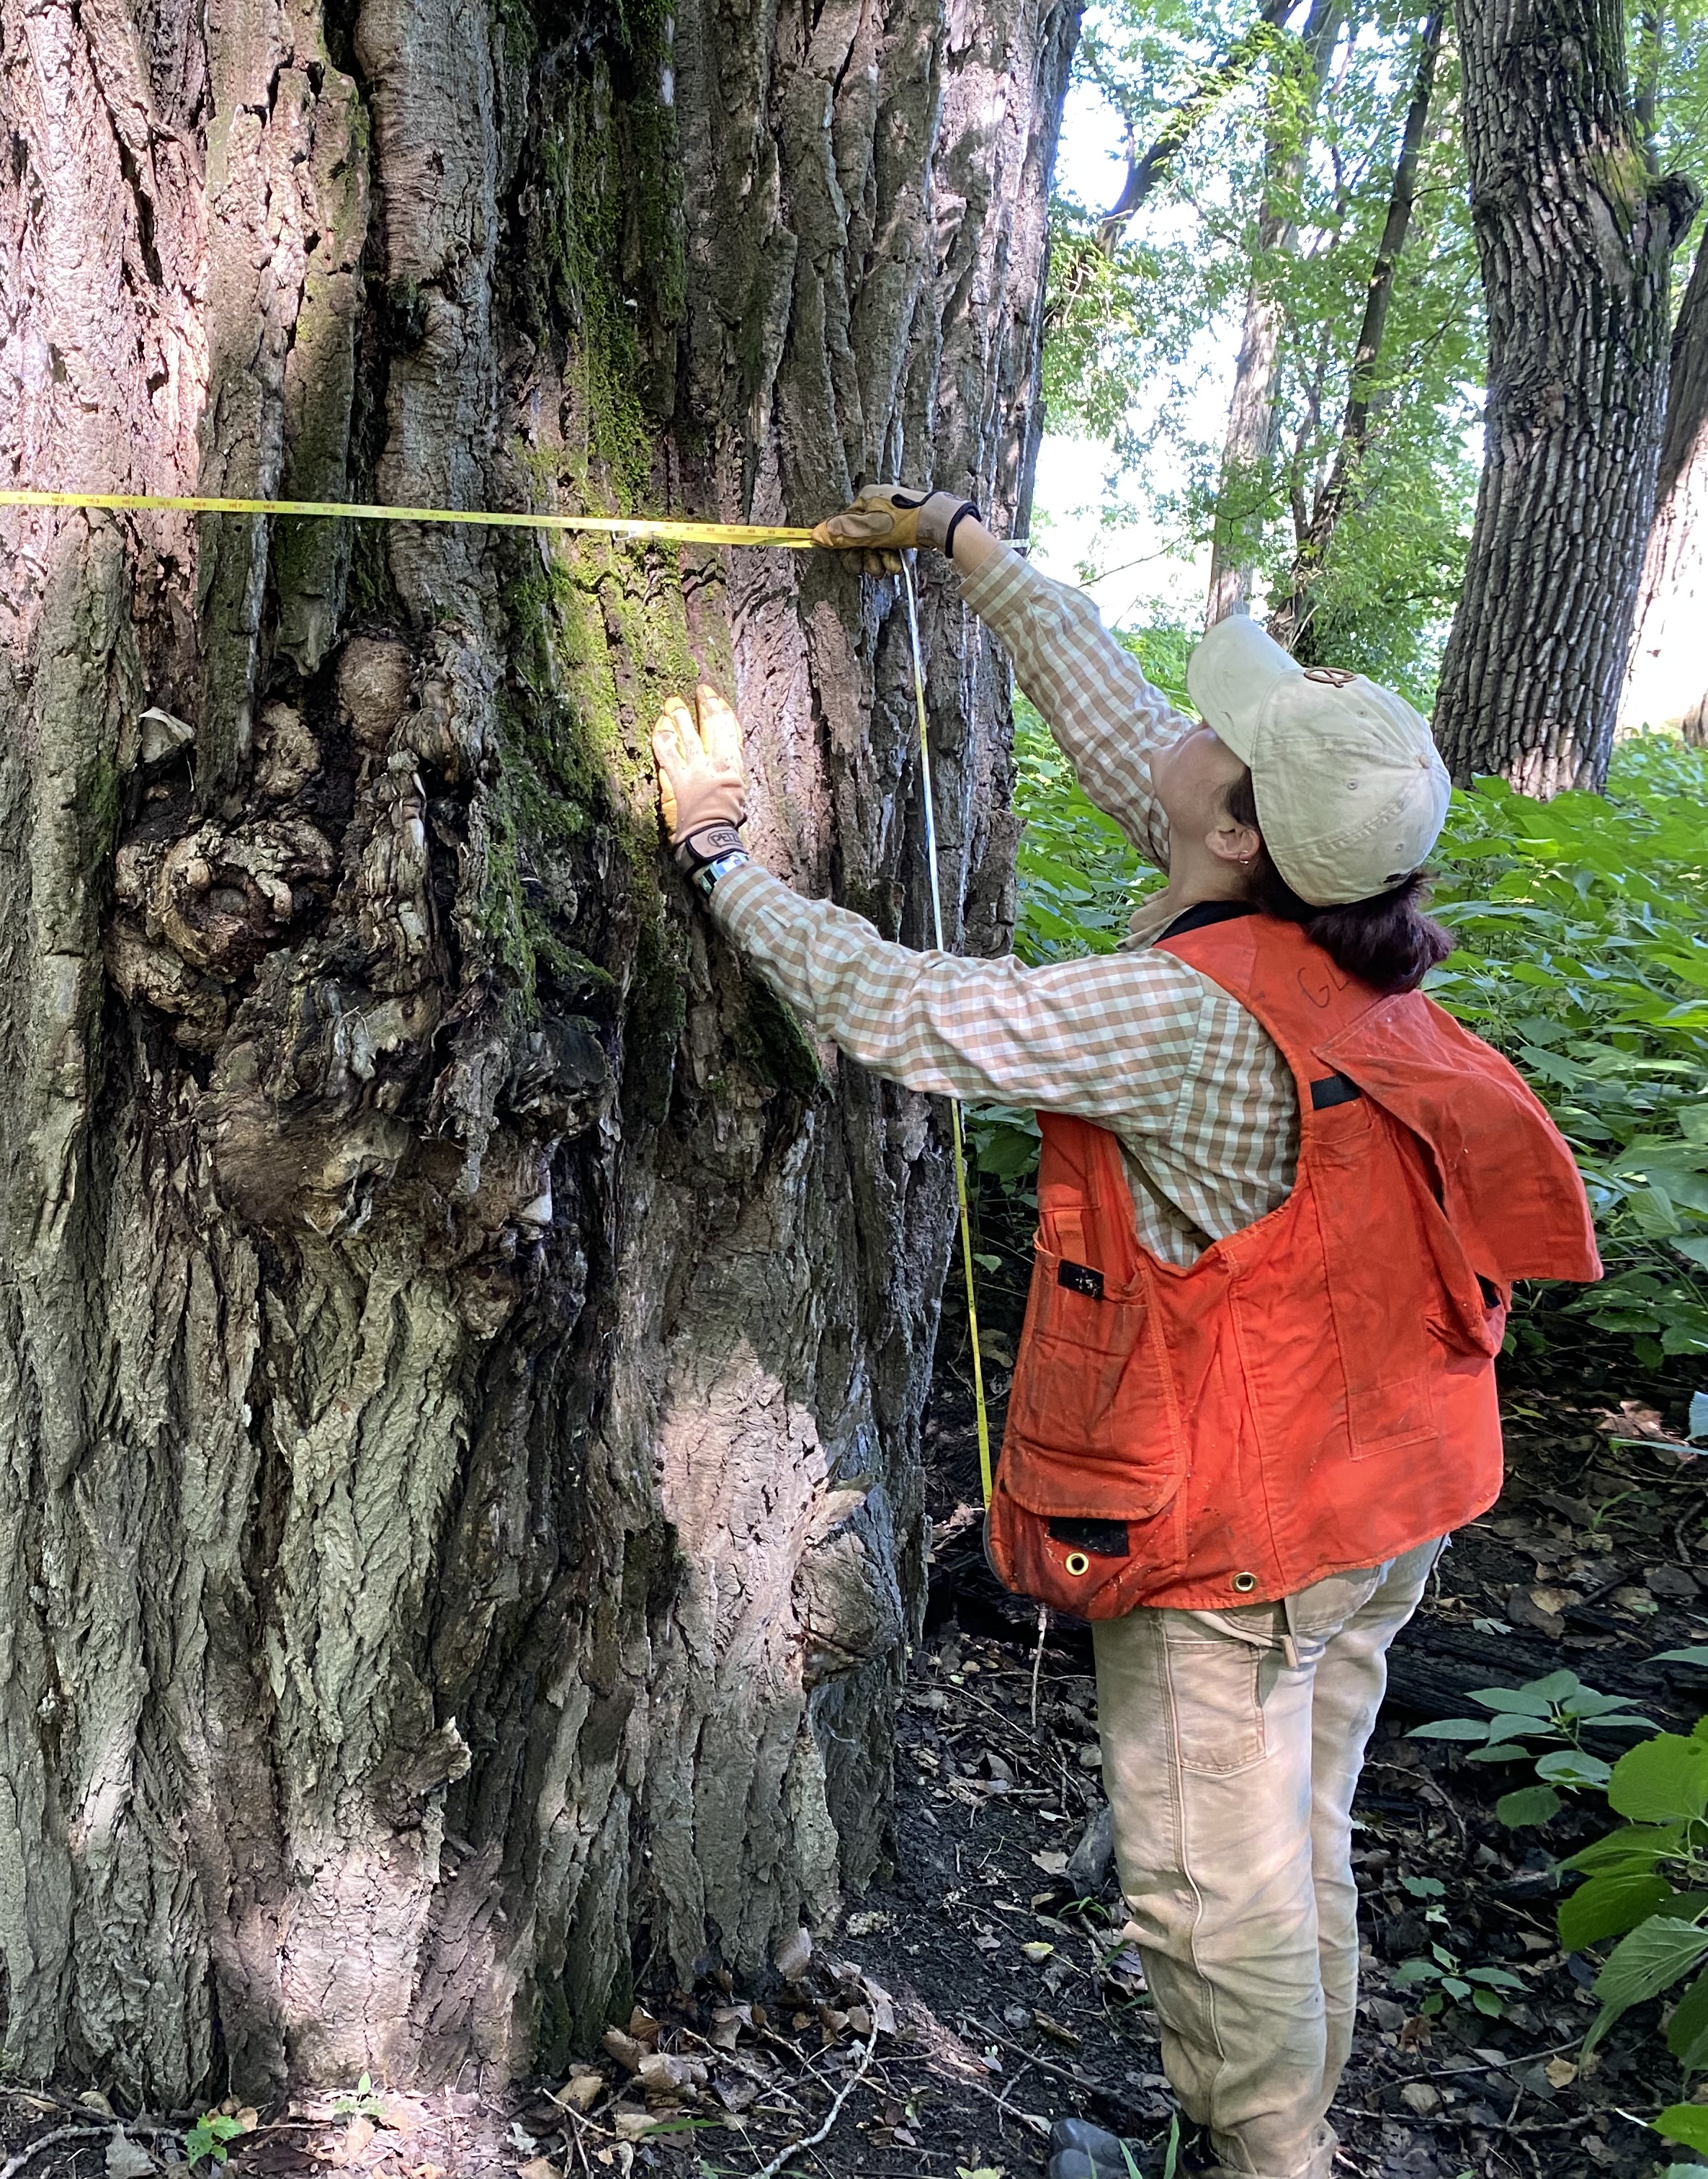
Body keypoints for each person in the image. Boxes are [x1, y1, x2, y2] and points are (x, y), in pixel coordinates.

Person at [649, 484, 1601, 2179]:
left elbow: (907, 1010)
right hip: (1388, 1495)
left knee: (1210, 1883)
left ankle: (1266, 2161)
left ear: (1239, 837)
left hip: (1259, 1537)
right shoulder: (1323, 919)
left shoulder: (1180, 1017)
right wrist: (970, 552)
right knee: (1294, 1834)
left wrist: (723, 858)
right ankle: (1273, 2128)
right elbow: (1127, 724)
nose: (1182, 731)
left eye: (1214, 740)